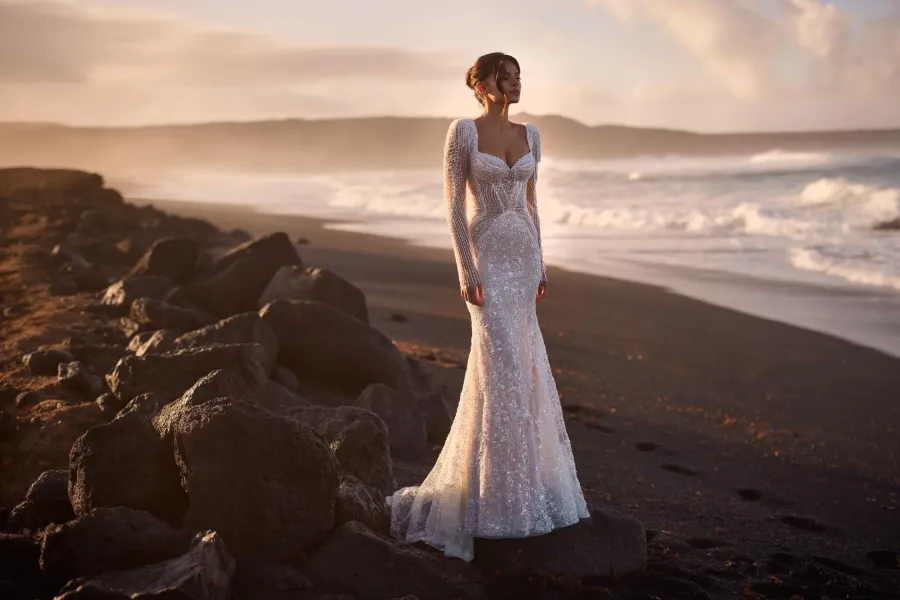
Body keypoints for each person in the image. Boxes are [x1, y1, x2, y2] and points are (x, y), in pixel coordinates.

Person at [385, 52, 590, 562]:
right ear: (481, 83)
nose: (516, 83)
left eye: (520, 76)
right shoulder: (463, 133)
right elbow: (455, 204)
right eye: (506, 75)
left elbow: (532, 204)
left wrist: (541, 263)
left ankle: (520, 491)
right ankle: (490, 496)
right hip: (486, 259)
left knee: (524, 367)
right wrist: (467, 271)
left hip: (522, 259)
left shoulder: (533, 136)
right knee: (498, 367)